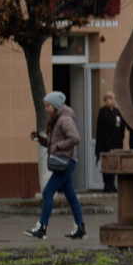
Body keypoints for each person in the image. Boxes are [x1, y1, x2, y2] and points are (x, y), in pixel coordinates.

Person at [25, 92, 87, 239]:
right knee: (71, 196)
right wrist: (42, 140)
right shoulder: (57, 119)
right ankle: (80, 228)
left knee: (47, 193)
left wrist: (58, 146)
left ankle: (42, 228)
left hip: (65, 161)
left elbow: (75, 138)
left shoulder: (64, 119)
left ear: (56, 106)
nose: (46, 108)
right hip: (63, 161)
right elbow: (55, 142)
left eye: (48, 106)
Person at [94, 91, 125, 193]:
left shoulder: (117, 111)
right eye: (111, 99)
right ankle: (107, 184)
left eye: (114, 99)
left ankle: (112, 184)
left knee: (114, 164)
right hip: (106, 143)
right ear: (106, 100)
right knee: (107, 164)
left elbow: (121, 125)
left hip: (116, 142)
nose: (113, 101)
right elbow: (104, 127)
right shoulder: (103, 111)